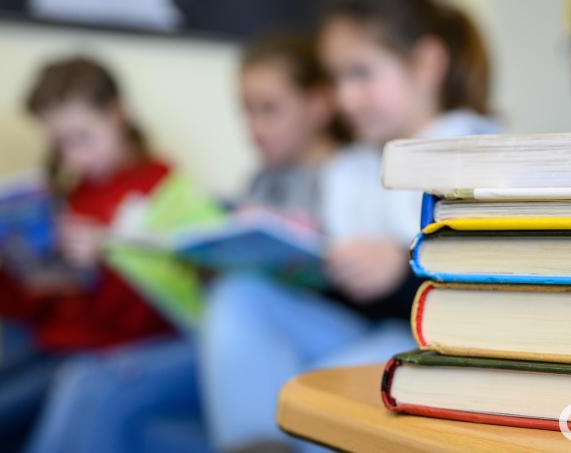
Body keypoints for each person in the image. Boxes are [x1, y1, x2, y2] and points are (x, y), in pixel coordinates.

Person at [23, 35, 351, 453]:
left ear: (319, 105)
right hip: (235, 321)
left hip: (294, 320)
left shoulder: (348, 176)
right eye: (246, 112)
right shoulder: (260, 183)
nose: (253, 128)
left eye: (268, 110)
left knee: (92, 382)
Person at [199, 1, 502, 451]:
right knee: (240, 296)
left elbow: (494, 293)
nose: (346, 98)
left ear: (427, 63)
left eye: (361, 74)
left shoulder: (476, 149)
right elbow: (342, 288)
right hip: (362, 326)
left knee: (329, 392)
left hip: (432, 343)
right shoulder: (348, 169)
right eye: (338, 78)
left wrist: (402, 267)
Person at [0, 56, 173, 453]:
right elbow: (33, 307)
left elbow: (161, 312)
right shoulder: (71, 195)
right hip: (53, 345)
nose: (73, 157)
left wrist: (108, 258)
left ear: (118, 115)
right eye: (60, 143)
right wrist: (12, 252)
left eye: (82, 137)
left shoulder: (162, 191)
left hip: (104, 356)